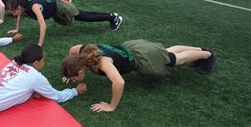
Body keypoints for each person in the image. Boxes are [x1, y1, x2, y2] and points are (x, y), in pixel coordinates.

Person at [61, 40, 216, 113]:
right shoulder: (79, 52)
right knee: (168, 53)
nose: (73, 81)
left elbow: (119, 82)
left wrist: (111, 105)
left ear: (81, 72)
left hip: (142, 57)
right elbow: (72, 51)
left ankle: (207, 54)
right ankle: (198, 48)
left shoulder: (103, 63)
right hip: (133, 48)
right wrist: (70, 72)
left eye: (74, 78)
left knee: (175, 60)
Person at [7, 0, 123, 46]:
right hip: (56, 7)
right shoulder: (22, 5)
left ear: (19, 7)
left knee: (85, 17)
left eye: (13, 11)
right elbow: (20, 15)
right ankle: (111, 15)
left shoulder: (33, 7)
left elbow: (43, 25)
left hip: (62, 8)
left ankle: (113, 17)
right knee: (84, 14)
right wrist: (17, 29)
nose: (14, 14)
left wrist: (39, 44)